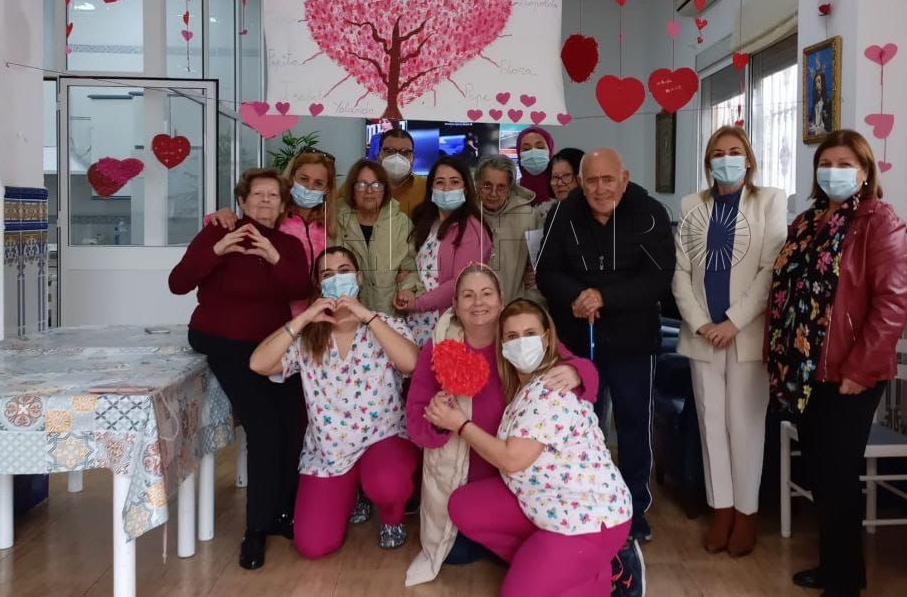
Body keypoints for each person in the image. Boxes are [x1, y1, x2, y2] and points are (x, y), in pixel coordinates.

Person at [766, 129, 907, 597]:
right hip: (807, 369)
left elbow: (891, 304)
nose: (834, 171)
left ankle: (847, 579)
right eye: (825, 163)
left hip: (850, 371)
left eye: (845, 163)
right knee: (819, 470)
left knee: (837, 472)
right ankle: (832, 566)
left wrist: (860, 369)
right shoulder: (808, 220)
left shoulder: (878, 221)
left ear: (865, 171)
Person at [427, 299, 645, 597]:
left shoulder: (551, 387)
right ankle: (559, 564)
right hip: (543, 500)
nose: (521, 343)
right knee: (465, 506)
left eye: (530, 334)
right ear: (501, 344)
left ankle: (608, 570)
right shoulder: (516, 380)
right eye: (512, 337)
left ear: (546, 338)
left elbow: (512, 459)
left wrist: (460, 425)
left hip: (587, 519)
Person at [404, 265, 599, 586]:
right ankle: (518, 545)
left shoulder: (518, 339)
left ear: (501, 299)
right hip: (460, 481)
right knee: (454, 554)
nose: (477, 303)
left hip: (518, 476)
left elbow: (580, 368)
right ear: (454, 303)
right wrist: (438, 419)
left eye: (486, 294)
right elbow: (415, 421)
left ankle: (541, 552)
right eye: (467, 295)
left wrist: (577, 373)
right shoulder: (439, 346)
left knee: (515, 547)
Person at [167, 168, 310, 570]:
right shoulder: (218, 232)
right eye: (258, 195)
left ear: (283, 205)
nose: (266, 200)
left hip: (271, 346)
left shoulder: (287, 243)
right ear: (242, 201)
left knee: (292, 421)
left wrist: (273, 256)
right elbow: (178, 283)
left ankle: (283, 511)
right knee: (263, 425)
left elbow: (299, 287)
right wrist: (216, 251)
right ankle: (256, 529)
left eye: (273, 196)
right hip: (222, 339)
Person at [535, 148, 675, 543]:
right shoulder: (564, 213)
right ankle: (583, 506)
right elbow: (547, 271)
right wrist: (579, 295)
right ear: (580, 182)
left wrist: (603, 296)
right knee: (581, 427)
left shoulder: (650, 213)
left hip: (633, 341)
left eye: (607, 179)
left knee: (633, 426)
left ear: (624, 178)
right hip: (578, 341)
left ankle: (633, 510)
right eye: (591, 180)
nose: (599, 188)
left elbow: (658, 278)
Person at [249, 246, 420, 557]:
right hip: (329, 452)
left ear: (357, 277)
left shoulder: (382, 324)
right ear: (319, 286)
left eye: (344, 271)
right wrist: (304, 319)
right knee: (313, 545)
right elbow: (259, 363)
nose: (337, 279)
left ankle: (392, 518)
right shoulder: (309, 337)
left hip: (382, 440)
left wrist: (366, 315)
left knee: (387, 483)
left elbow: (410, 363)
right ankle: (354, 493)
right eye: (328, 275)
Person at [672, 126, 787, 557]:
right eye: (718, 153)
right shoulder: (691, 206)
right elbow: (680, 273)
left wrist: (733, 322)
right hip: (702, 338)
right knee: (711, 426)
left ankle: (747, 513)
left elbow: (770, 270)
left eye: (735, 152)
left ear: (749, 160)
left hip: (746, 335)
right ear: (708, 162)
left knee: (745, 426)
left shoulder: (770, 202)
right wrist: (703, 324)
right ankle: (720, 508)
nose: (726, 158)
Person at [205, 150, 335, 314]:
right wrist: (221, 214)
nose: (309, 188)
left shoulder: (330, 226)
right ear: (291, 179)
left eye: (318, 183)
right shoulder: (273, 217)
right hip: (273, 316)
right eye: (303, 179)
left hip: (318, 315)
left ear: (327, 189)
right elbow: (240, 222)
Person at [396, 156, 493, 346]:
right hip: (417, 321)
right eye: (440, 182)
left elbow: (461, 282)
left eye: (454, 182)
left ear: (465, 188)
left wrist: (418, 303)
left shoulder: (473, 230)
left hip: (449, 323)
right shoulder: (427, 223)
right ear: (431, 188)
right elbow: (415, 268)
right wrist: (407, 289)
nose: (447, 189)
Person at [334, 158, 420, 315]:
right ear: (351, 189)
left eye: (376, 185)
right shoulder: (336, 220)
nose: (369, 191)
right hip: (346, 315)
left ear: (385, 189)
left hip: (391, 315)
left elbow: (412, 270)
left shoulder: (401, 223)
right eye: (361, 184)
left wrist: (407, 290)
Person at [475, 154, 543, 304]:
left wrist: (528, 306)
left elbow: (537, 273)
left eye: (501, 187)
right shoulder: (466, 215)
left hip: (515, 309)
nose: (493, 193)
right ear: (477, 184)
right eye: (487, 185)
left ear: (511, 189)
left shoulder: (529, 217)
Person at [377, 127, 426, 219]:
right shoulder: (362, 187)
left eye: (405, 152)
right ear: (378, 156)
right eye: (389, 151)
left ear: (413, 158)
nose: (397, 157)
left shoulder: (427, 188)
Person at [535, 147, 583, 224]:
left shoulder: (598, 212)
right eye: (555, 177)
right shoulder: (545, 215)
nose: (559, 183)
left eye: (567, 175)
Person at [516, 125, 555, 206]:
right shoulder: (513, 191)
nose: (533, 153)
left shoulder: (561, 187)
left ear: (550, 151)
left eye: (540, 147)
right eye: (526, 149)